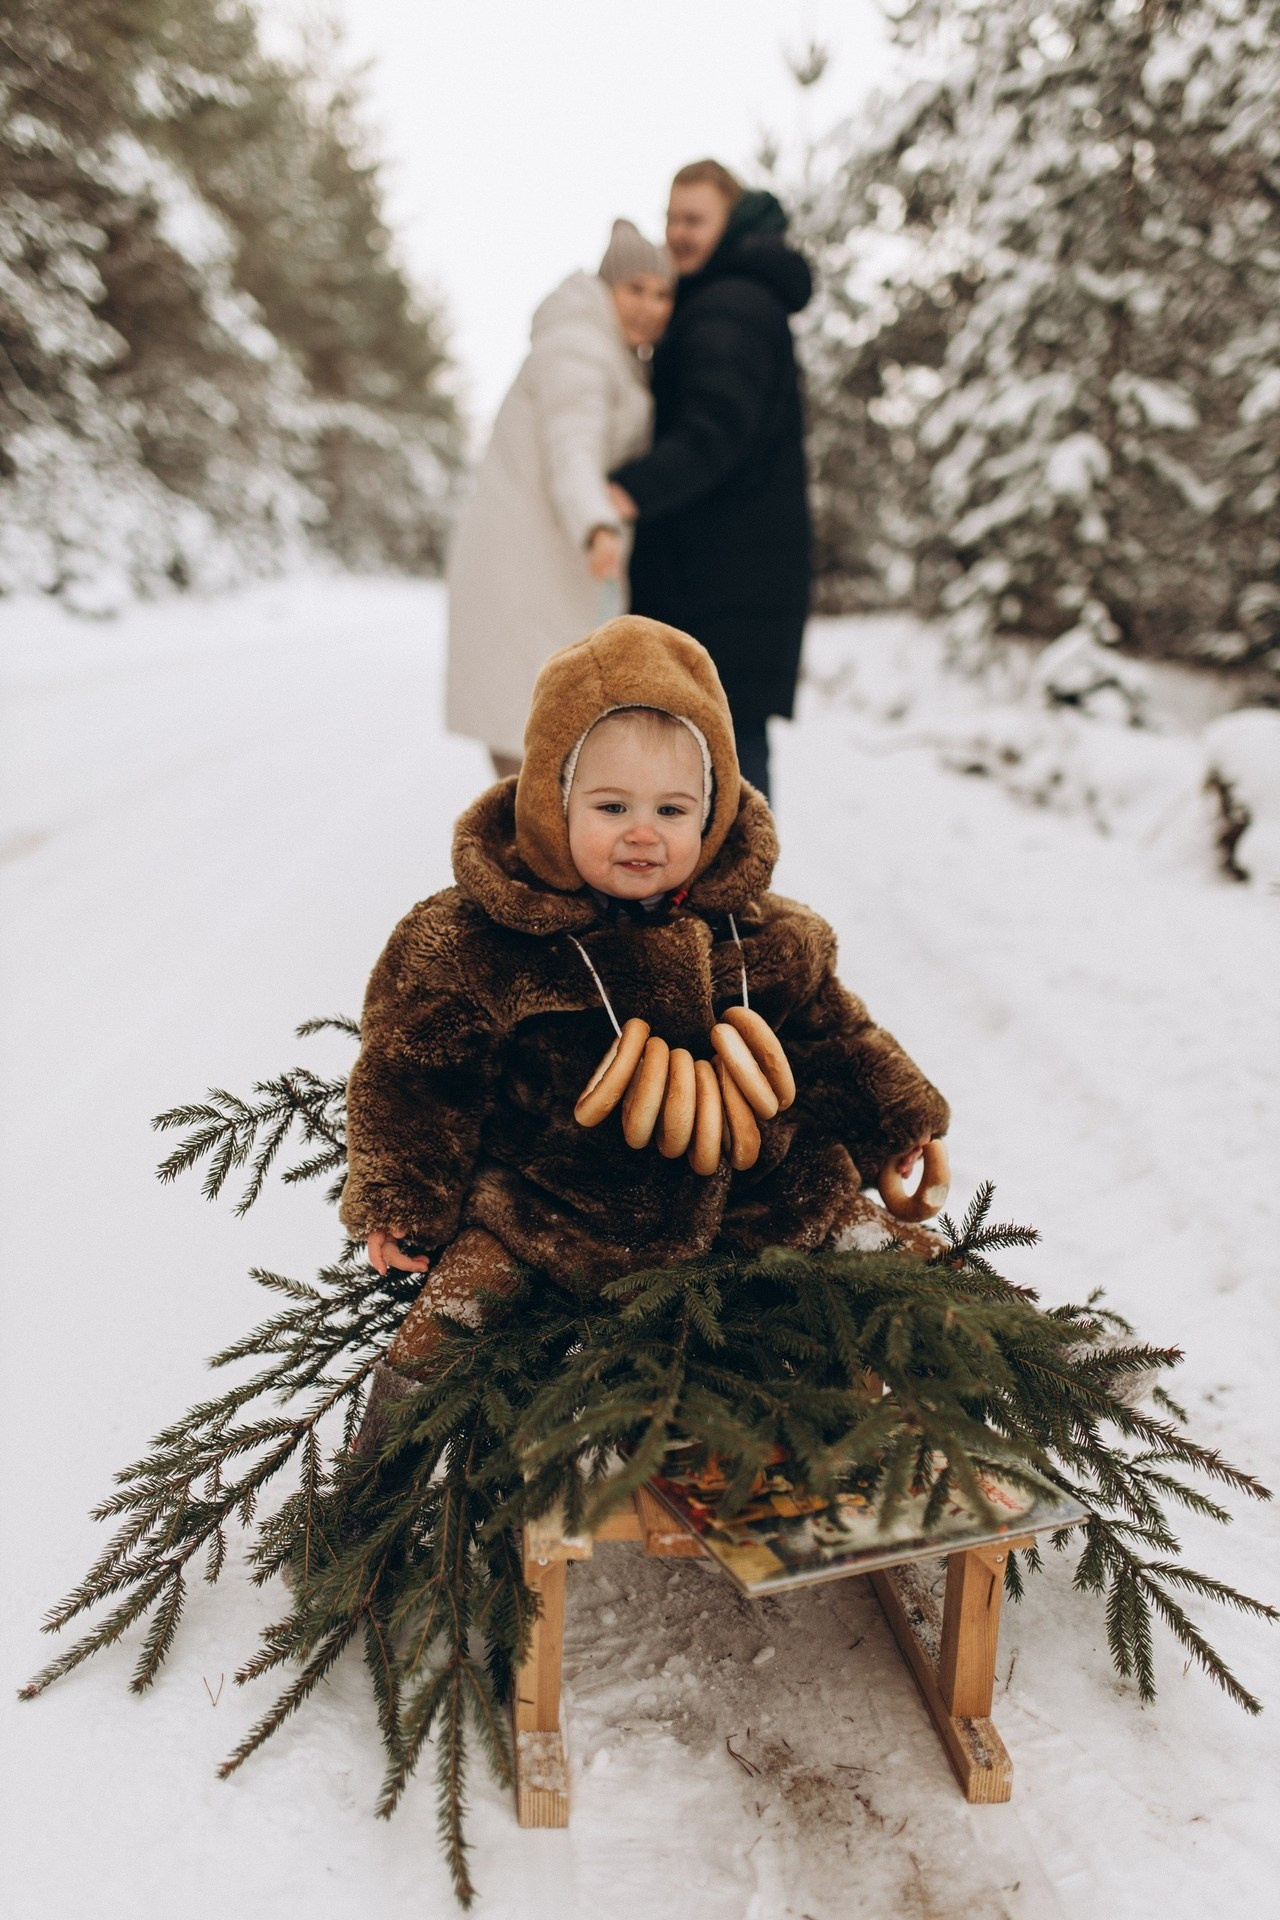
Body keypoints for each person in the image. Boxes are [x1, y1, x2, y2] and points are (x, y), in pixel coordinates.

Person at [340, 616, 948, 1375]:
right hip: (552, 1209)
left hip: (760, 1199)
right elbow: (414, 1071)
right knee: (454, 1318)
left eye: (671, 810)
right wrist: (404, 1199)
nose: (642, 834)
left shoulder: (765, 934)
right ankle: (381, 1474)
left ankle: (1033, 1356)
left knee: (884, 1254)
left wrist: (898, 1120)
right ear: (552, 803)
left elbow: (837, 1035)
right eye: (611, 807)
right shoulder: (480, 941)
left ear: (713, 811)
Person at [607, 161, 814, 803]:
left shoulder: (731, 305)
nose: (678, 233)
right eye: (672, 218)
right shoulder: (727, 298)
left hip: (726, 583)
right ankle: (728, 896)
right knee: (717, 753)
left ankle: (741, 901)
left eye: (695, 220)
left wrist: (628, 490)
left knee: (726, 760)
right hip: (731, 579)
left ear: (730, 224)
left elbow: (715, 429)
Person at [445, 222, 674, 779]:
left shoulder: (602, 347)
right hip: (530, 570)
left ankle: (526, 860)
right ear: (606, 288)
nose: (648, 306)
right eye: (634, 289)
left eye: (662, 293)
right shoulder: (580, 348)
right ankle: (518, 865)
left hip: (542, 567)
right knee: (535, 748)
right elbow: (572, 448)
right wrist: (597, 526)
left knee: (544, 742)